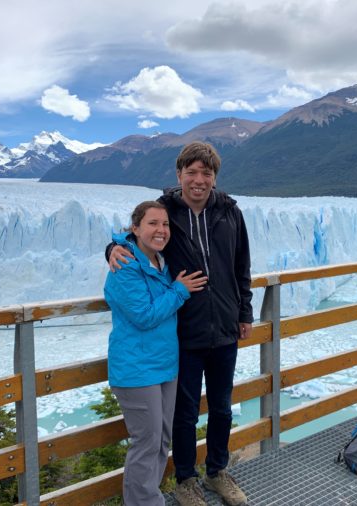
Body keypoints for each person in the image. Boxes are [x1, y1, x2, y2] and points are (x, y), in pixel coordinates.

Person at [107, 142, 253, 506]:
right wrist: (110, 250)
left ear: (214, 177)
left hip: (223, 328)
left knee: (221, 406)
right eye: (192, 173)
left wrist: (244, 312)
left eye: (206, 173)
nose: (199, 180)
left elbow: (241, 266)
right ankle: (186, 480)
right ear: (179, 175)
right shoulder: (166, 211)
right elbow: (135, 237)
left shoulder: (230, 212)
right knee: (184, 413)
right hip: (184, 332)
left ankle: (217, 471)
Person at [105, 201, 208, 506]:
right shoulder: (125, 265)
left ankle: (148, 498)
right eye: (152, 223)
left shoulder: (159, 262)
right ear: (135, 228)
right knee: (147, 441)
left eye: (164, 224)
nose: (161, 230)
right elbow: (144, 316)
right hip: (136, 369)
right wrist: (180, 290)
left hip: (164, 365)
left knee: (161, 439)